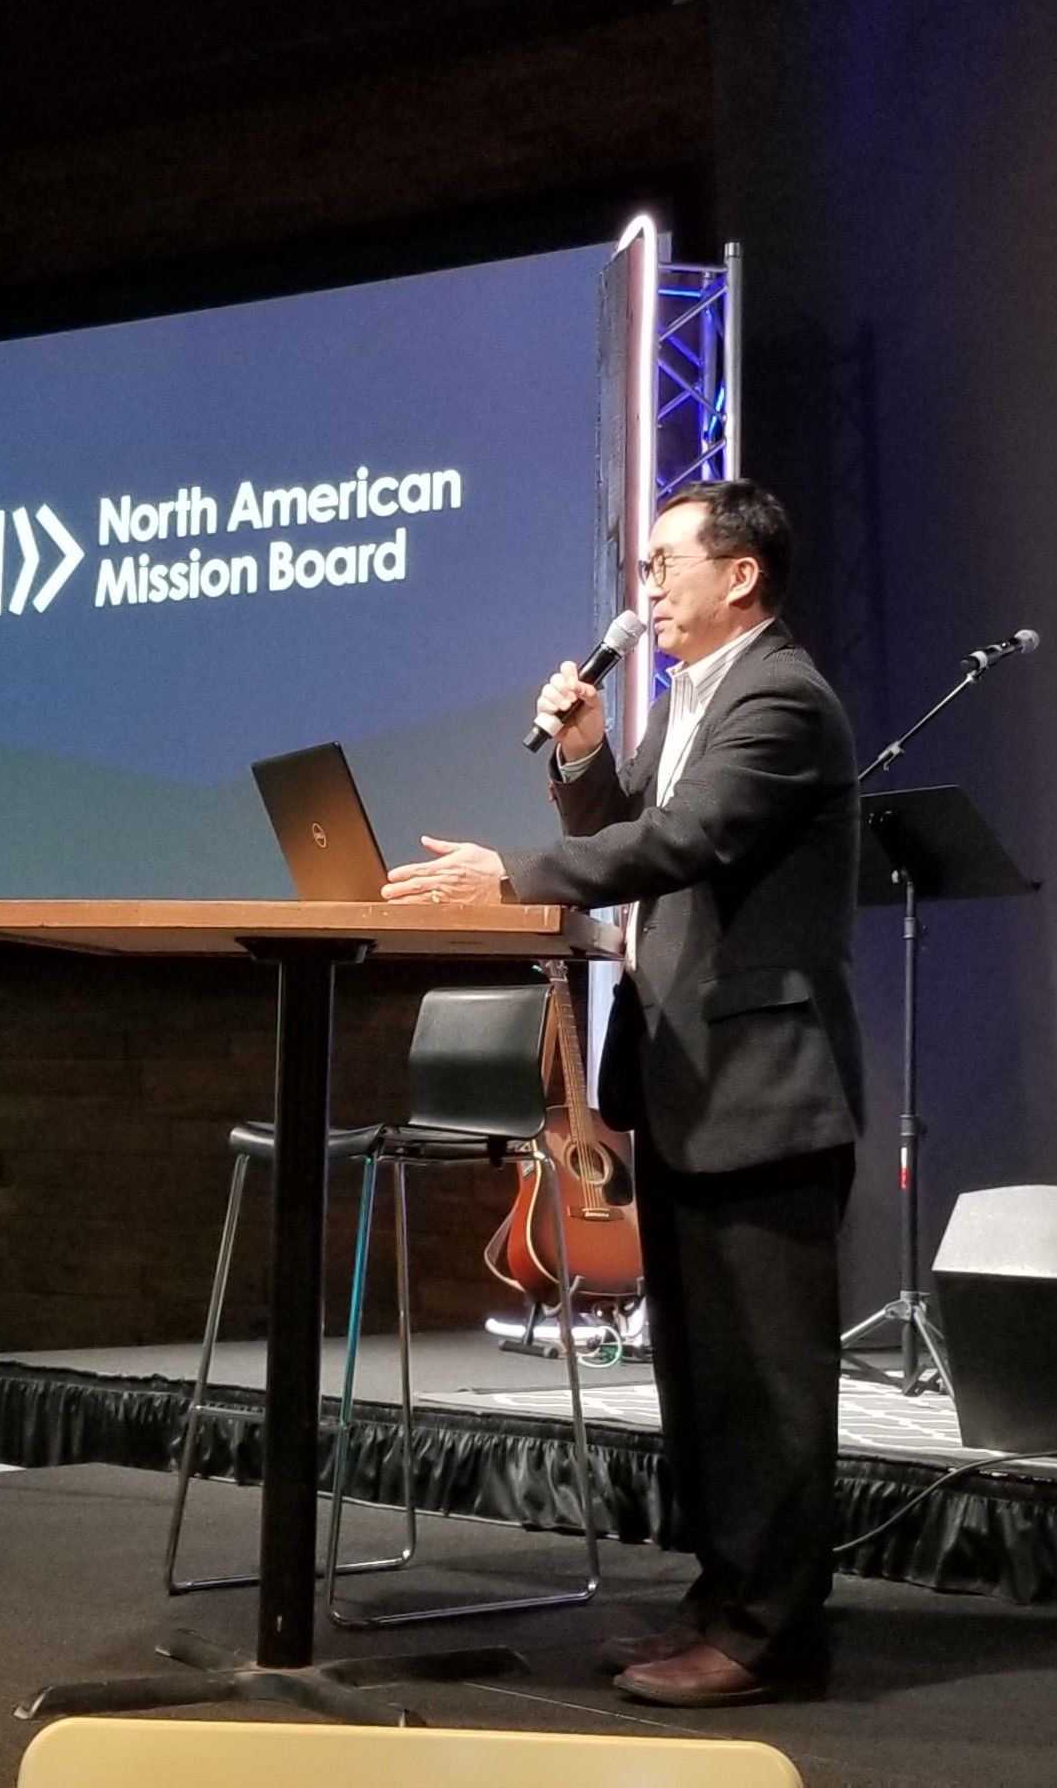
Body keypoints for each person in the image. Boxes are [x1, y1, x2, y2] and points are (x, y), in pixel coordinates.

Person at [384, 478, 863, 1707]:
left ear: (740, 576)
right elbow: (632, 829)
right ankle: (721, 1602)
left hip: (765, 1088)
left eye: (662, 563)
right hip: (691, 1083)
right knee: (703, 1380)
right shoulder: (695, 696)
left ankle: (772, 1636)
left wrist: (512, 876)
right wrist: (588, 752)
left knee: (769, 1384)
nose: (643, 587)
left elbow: (683, 843)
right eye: (643, 567)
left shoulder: (781, 697)